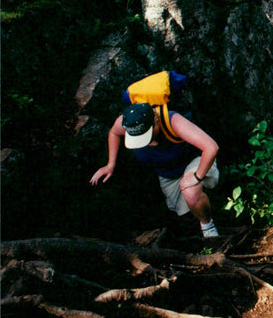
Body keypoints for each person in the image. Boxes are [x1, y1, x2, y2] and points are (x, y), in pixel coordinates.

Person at [90, 102, 221, 238]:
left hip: (193, 162)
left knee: (191, 192)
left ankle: (209, 228)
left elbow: (211, 147)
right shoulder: (128, 123)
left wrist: (196, 177)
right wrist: (110, 164)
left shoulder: (173, 121)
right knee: (185, 214)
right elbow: (113, 133)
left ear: (156, 121)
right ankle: (197, 232)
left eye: (146, 135)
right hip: (167, 173)